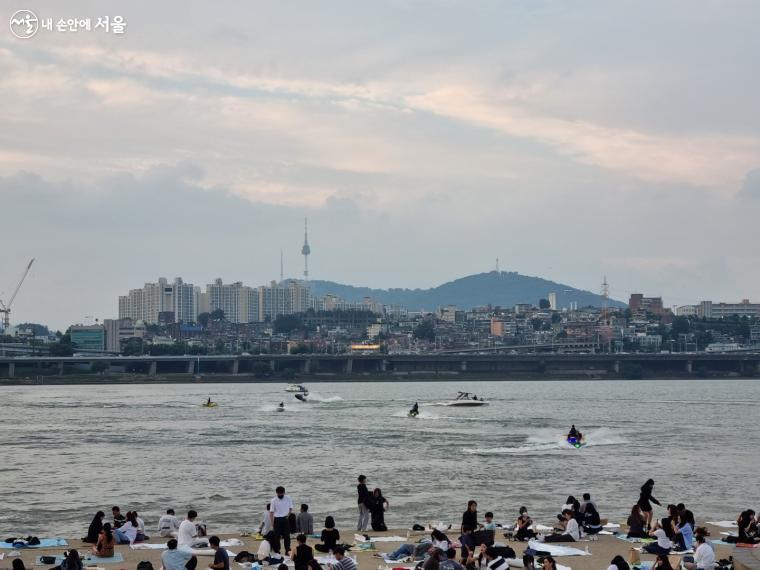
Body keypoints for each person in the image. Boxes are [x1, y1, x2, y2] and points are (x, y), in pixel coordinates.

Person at [269, 486, 294, 554]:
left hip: (285, 519)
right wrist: (272, 523)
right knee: (276, 537)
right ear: (276, 493)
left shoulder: (288, 498)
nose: (280, 495)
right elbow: (271, 512)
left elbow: (291, 508)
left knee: (287, 536)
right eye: (279, 494)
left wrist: (288, 515)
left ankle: (287, 550)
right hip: (277, 519)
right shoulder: (273, 500)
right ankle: (277, 551)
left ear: (284, 492)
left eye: (281, 493)